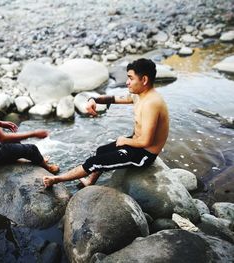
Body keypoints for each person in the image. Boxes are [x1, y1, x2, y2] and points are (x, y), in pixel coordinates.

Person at [43, 58, 169, 187]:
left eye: (131, 78)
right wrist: (94, 99)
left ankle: (56, 180)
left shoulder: (151, 103)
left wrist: (125, 141)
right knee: (101, 151)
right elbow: (114, 98)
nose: (127, 82)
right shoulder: (140, 95)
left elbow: (146, 141)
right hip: (136, 144)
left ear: (144, 80)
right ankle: (90, 181)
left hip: (144, 155)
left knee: (93, 162)